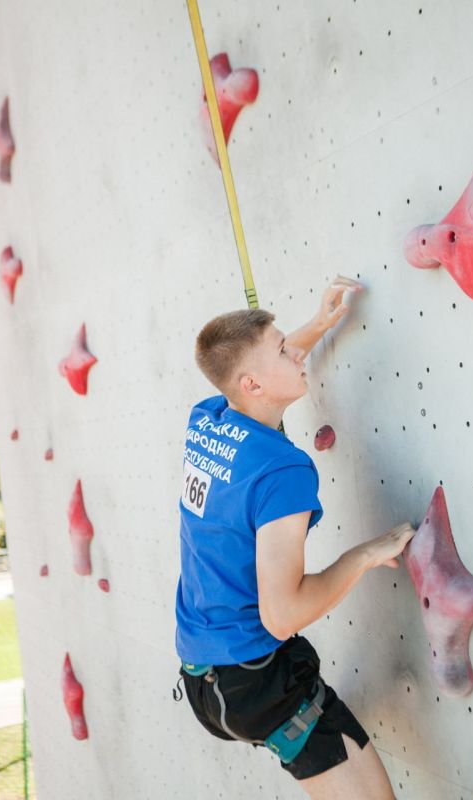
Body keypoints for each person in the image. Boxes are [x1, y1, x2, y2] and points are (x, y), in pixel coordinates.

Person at [175, 276, 415, 799]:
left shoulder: (209, 419)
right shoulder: (282, 473)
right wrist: (366, 554)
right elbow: (281, 616)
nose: (295, 353)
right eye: (283, 351)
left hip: (204, 674)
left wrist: (316, 326)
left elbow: (255, 382)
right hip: (257, 680)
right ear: (254, 383)